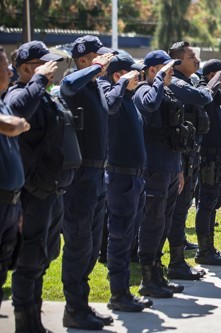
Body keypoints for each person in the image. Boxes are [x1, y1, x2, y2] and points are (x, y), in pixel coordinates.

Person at [4, 41, 74, 332]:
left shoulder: (45, 95)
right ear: (25, 68)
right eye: (43, 63)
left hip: (52, 189)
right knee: (30, 258)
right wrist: (38, 79)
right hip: (33, 192)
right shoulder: (18, 93)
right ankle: (25, 321)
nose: (51, 67)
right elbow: (19, 109)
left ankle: (35, 315)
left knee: (45, 255)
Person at [59, 35, 116, 329]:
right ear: (84, 59)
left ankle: (82, 305)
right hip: (80, 178)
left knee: (92, 246)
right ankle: (74, 308)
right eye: (99, 58)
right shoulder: (75, 83)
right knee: (79, 244)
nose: (105, 63)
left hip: (97, 176)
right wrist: (94, 69)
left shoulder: (94, 87)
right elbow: (67, 85)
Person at [133, 50, 188, 299]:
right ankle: (148, 277)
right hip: (153, 167)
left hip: (169, 165)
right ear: (153, 69)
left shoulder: (165, 91)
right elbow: (148, 106)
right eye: (167, 68)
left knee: (164, 222)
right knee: (153, 222)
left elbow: (174, 132)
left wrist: (179, 170)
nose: (172, 72)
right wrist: (156, 80)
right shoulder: (145, 89)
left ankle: (157, 272)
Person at [100, 54, 152, 312]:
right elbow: (109, 105)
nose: (140, 78)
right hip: (121, 178)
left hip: (135, 177)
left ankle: (123, 292)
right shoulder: (113, 95)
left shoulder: (129, 100)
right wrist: (121, 85)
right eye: (135, 74)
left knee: (128, 236)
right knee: (120, 237)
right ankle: (118, 294)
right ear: (120, 75)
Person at [167, 41, 214, 280]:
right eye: (191, 56)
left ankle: (178, 257)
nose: (197, 61)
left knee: (183, 206)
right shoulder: (175, 82)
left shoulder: (185, 81)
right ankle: (175, 263)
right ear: (177, 61)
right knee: (178, 207)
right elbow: (204, 98)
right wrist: (207, 87)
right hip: (180, 156)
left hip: (189, 154)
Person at [194, 59, 221, 265]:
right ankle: (204, 250)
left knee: (214, 202)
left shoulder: (215, 93)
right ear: (212, 75)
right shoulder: (203, 90)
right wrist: (215, 83)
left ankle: (209, 247)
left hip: (220, 155)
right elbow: (203, 99)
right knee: (207, 202)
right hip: (209, 155)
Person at [0, 45, 29, 313]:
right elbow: (11, 126)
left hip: (11, 201)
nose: (9, 70)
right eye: (4, 66)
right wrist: (18, 124)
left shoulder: (3, 100)